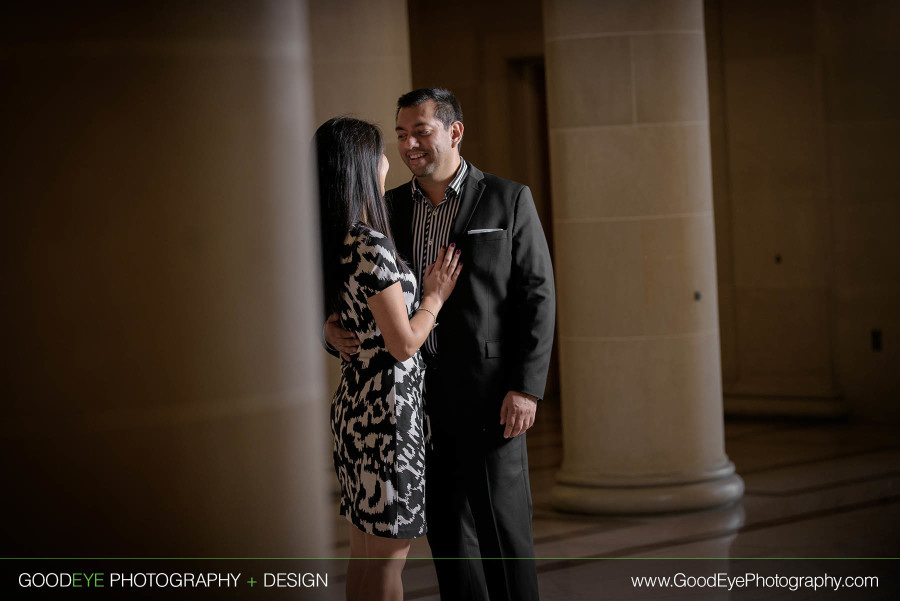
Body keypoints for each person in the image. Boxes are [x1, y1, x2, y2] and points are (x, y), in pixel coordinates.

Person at [325, 89, 555, 601]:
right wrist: (328, 327)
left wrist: (526, 387)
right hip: (412, 406)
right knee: (449, 541)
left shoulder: (507, 198)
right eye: (401, 133)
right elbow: (357, 288)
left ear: (454, 132)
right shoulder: (386, 208)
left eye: (421, 131)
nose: (409, 144)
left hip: (490, 399)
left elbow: (537, 297)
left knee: (504, 536)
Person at [316, 116, 462, 601]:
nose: (387, 159)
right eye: (380, 150)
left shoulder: (334, 239)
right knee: (388, 558)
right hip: (388, 417)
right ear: (360, 165)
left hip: (355, 408)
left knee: (366, 550)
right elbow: (402, 343)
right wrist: (434, 297)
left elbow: (345, 319)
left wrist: (328, 328)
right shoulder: (368, 241)